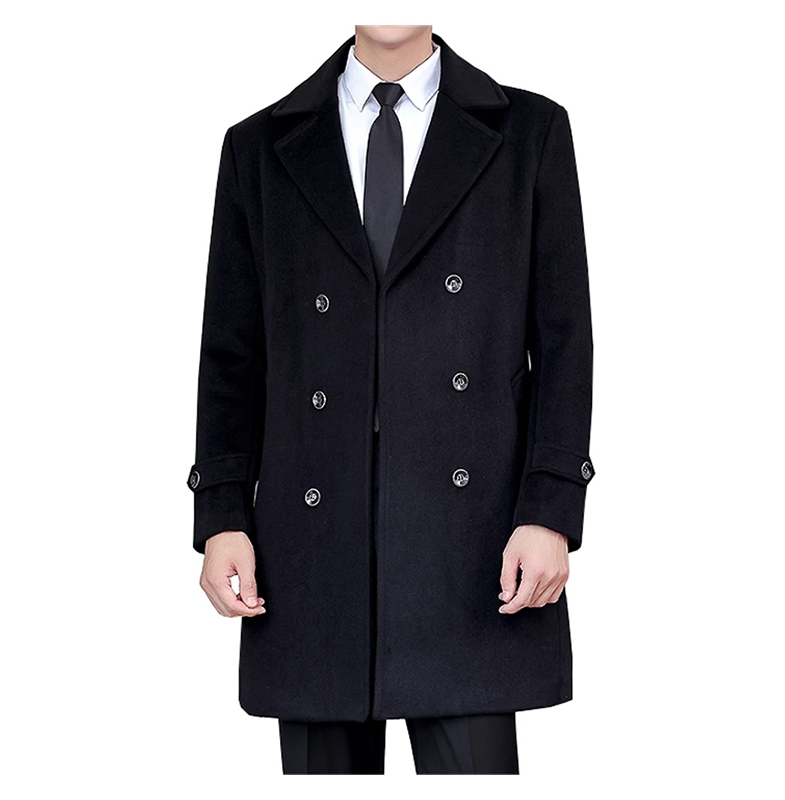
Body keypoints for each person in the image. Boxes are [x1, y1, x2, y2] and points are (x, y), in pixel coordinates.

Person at [187, 25, 595, 775]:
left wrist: (550, 509)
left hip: (475, 545)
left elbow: (564, 341)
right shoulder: (257, 148)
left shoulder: (530, 132)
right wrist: (221, 516)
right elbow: (231, 356)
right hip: (313, 544)